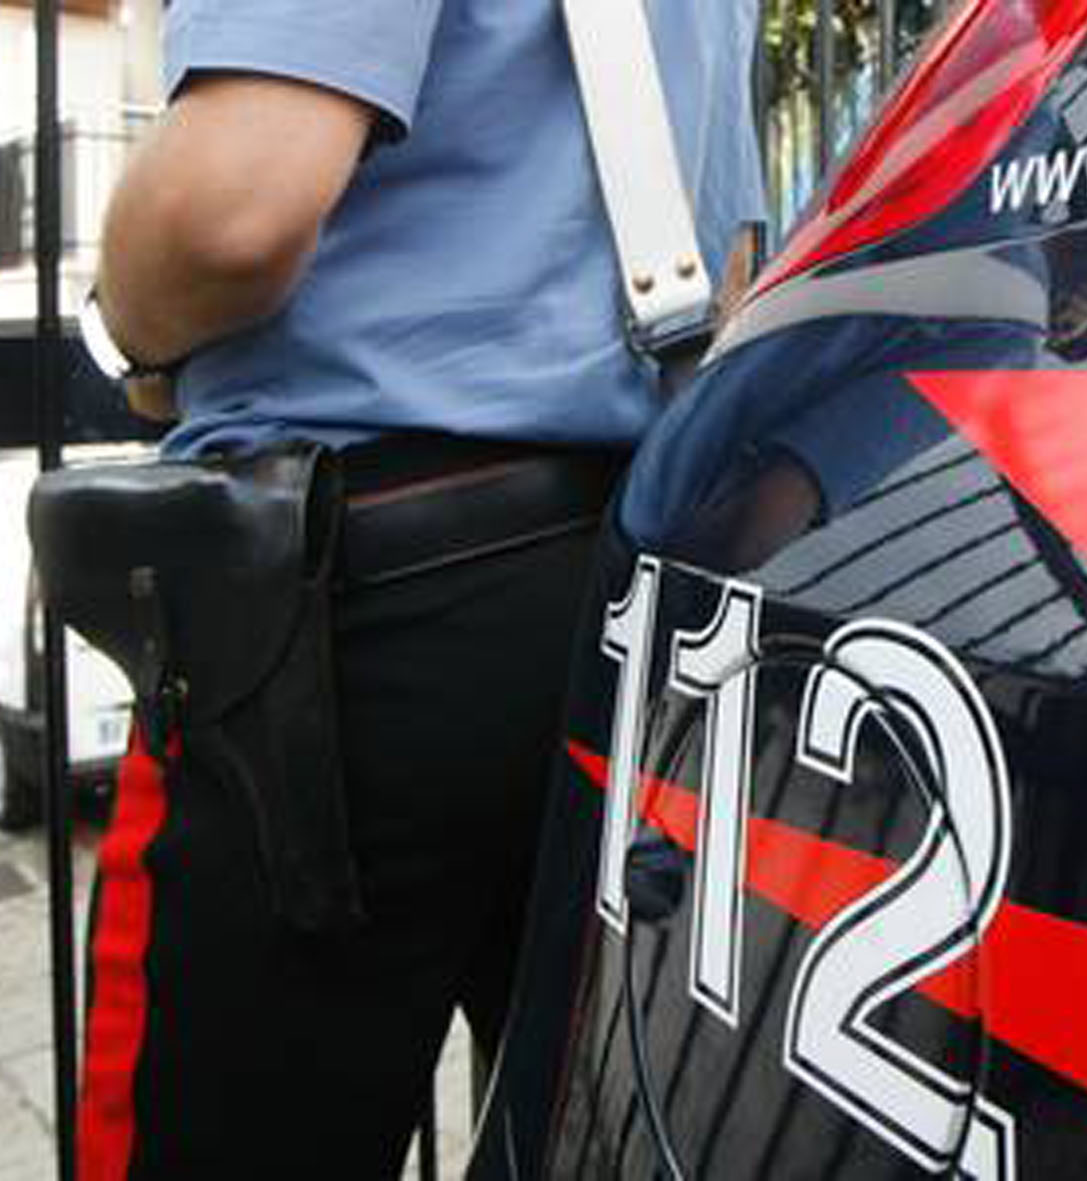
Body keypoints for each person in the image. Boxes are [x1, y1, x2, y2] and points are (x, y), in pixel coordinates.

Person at [77, 0, 766, 1175]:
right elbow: (728, 276)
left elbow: (228, 208)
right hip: (616, 586)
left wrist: (127, 338)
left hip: (343, 619)